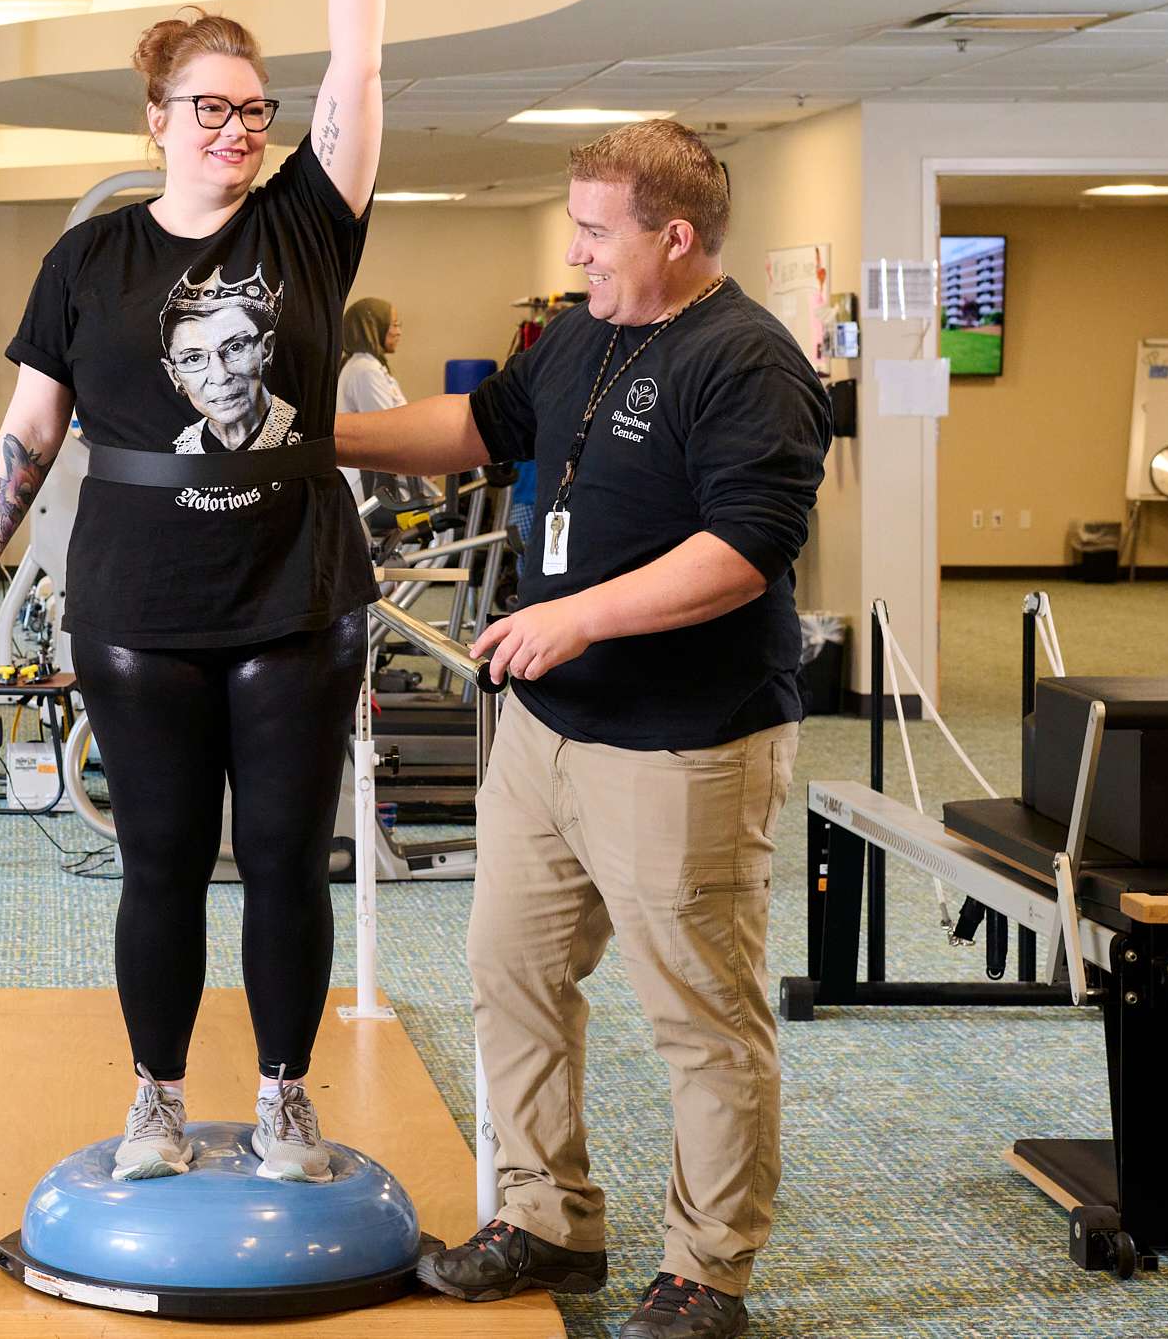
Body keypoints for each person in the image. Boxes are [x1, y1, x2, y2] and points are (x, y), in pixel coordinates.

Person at [0, 0, 384, 1186]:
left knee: (291, 860)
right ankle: (157, 1099)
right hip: (136, 600)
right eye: (209, 106)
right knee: (161, 861)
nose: (236, 127)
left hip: (301, 592)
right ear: (159, 114)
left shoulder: (309, 226)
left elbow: (359, 79)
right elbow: (29, 430)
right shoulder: (92, 260)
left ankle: (290, 1094)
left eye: (254, 107)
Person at [336, 120, 830, 1339]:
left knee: (700, 1018)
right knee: (513, 975)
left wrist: (579, 619)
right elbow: (477, 427)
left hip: (684, 743)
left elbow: (746, 547)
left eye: (595, 230)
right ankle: (547, 1219)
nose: (575, 247)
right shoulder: (580, 332)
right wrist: (311, 435)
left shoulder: (747, 360)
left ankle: (708, 1270)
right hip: (546, 739)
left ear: (674, 234)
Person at [335, 296, 411, 502]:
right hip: (366, 481)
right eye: (393, 325)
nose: (398, 331)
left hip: (370, 475)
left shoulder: (368, 365)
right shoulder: (364, 370)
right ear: (373, 326)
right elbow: (387, 430)